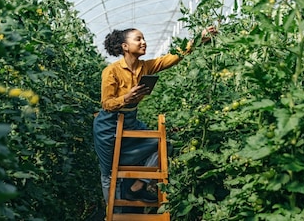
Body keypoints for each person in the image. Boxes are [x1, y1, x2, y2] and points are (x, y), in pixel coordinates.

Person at [93, 26, 217, 206]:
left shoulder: (146, 67)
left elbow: (173, 57)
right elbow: (106, 103)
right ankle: (113, 213)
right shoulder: (111, 71)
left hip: (130, 121)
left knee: (163, 144)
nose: (143, 42)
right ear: (125, 46)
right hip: (108, 125)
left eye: (143, 38)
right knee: (109, 173)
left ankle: (136, 188)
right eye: (138, 39)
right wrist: (126, 98)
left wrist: (199, 39)